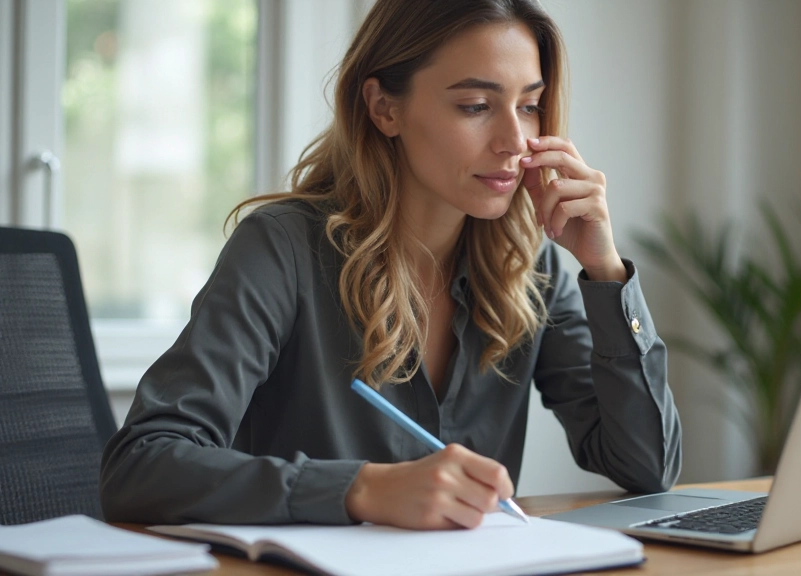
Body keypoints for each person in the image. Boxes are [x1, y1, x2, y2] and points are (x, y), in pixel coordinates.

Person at [100, 0, 682, 530]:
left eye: (529, 106)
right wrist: (360, 489)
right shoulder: (282, 250)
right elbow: (140, 466)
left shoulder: (533, 272)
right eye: (476, 105)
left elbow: (647, 468)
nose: (514, 139)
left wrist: (605, 274)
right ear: (383, 108)